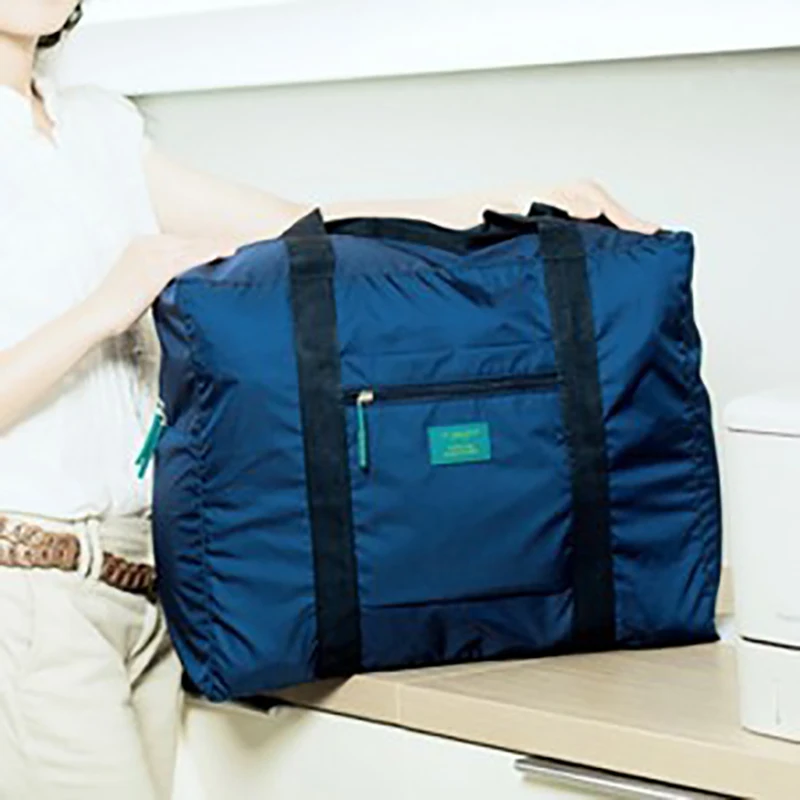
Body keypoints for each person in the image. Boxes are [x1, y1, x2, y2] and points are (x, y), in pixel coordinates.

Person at [0, 2, 659, 798]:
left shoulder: (98, 128)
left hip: (143, 591)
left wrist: (522, 202)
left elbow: (304, 228)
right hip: (31, 592)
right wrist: (103, 310)